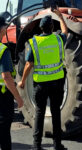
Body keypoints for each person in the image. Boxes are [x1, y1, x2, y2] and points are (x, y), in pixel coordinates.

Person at [18, 7, 68, 150]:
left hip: (40, 85)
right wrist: (60, 16)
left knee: (39, 114)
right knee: (56, 113)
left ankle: (36, 146)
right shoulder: (58, 39)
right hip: (57, 83)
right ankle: (57, 145)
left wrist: (22, 81)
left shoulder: (34, 42)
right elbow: (65, 31)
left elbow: (29, 64)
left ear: (40, 27)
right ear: (52, 27)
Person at [0, 16, 24, 150]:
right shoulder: (3, 50)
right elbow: (7, 77)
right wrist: (18, 98)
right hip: (3, 96)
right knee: (4, 132)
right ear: (2, 29)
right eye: (4, 26)